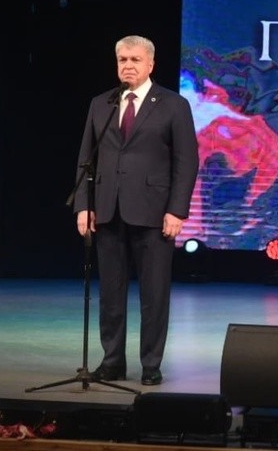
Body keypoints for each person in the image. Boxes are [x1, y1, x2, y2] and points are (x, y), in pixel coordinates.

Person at [73, 35, 199, 386]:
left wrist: (177, 210)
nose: (128, 65)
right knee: (111, 294)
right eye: (122, 60)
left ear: (150, 64)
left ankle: (151, 364)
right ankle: (112, 361)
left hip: (155, 214)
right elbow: (86, 159)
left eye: (135, 60)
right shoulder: (102, 103)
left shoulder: (173, 105)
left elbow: (187, 161)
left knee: (154, 295)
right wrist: (84, 205)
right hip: (107, 210)